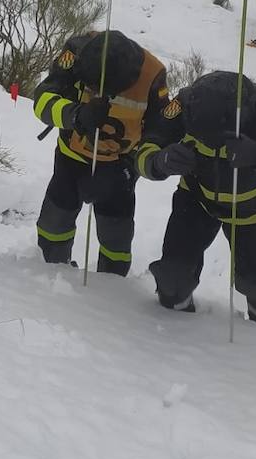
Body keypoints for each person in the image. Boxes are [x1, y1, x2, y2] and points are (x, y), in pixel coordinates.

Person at [136, 71, 256, 325]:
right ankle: (174, 326)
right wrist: (159, 161)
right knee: (172, 278)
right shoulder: (185, 103)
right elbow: (146, 147)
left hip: (254, 209)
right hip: (197, 198)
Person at [32, 30, 177, 276]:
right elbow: (43, 99)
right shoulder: (76, 51)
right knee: (54, 222)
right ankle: (51, 272)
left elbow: (160, 128)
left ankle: (110, 287)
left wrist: (145, 162)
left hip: (119, 165)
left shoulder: (153, 74)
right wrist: (76, 115)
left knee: (116, 234)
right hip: (71, 158)